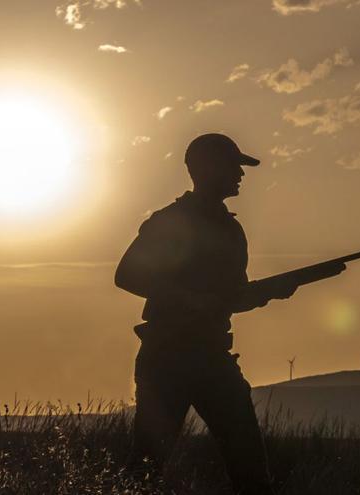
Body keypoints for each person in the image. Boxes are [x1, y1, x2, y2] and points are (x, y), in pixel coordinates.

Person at [115, 133, 344, 494]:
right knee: (145, 468)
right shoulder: (171, 221)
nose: (240, 174)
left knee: (249, 466)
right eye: (233, 166)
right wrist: (191, 300)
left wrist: (271, 292)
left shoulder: (231, 228)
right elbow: (126, 275)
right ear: (205, 169)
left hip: (212, 356)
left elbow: (232, 297)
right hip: (167, 357)